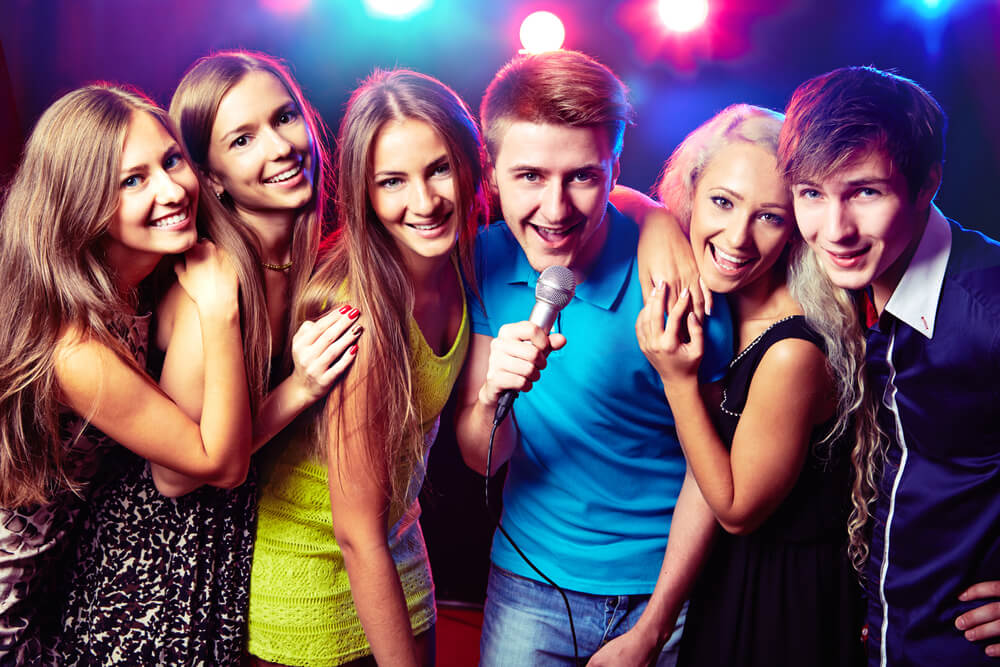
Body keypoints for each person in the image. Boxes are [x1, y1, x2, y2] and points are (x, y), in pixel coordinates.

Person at [55, 52, 359, 664]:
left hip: (221, 552)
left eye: (284, 118)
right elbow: (179, 475)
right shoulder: (209, 289)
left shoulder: (301, 261)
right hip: (153, 566)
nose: (279, 147)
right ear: (213, 175)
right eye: (243, 139)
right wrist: (297, 388)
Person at [454, 49, 734, 666]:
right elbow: (481, 459)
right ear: (492, 171)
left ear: (614, 170)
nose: (555, 212)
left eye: (581, 176)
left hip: (664, 592)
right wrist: (491, 396)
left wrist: (654, 626)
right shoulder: (482, 260)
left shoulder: (679, 278)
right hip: (529, 580)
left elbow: (710, 470)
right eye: (529, 176)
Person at [0, 84, 252, 664]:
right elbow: (222, 462)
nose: (171, 189)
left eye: (170, 161)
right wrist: (220, 310)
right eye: (132, 180)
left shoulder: (126, 294)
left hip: (51, 587)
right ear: (81, 203)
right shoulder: (72, 347)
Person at [245, 68, 486, 667]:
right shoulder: (362, 310)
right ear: (364, 193)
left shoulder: (466, 255)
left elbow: (570, 199)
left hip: (400, 554)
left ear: (470, 164)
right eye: (392, 182)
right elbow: (355, 533)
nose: (425, 202)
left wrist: (652, 215)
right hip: (312, 587)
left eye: (439, 169)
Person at [777, 65, 1000, 665]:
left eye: (865, 192)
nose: (836, 230)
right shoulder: (853, 286)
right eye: (812, 194)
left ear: (929, 184)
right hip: (876, 639)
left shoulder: (990, 307)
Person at [636, 104, 872, 666]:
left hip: (784, 605)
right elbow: (623, 196)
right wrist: (649, 219)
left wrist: (678, 380)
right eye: (722, 202)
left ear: (795, 228)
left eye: (769, 216)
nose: (738, 237)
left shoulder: (793, 349)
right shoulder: (727, 311)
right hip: (728, 582)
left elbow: (737, 508)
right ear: (690, 195)